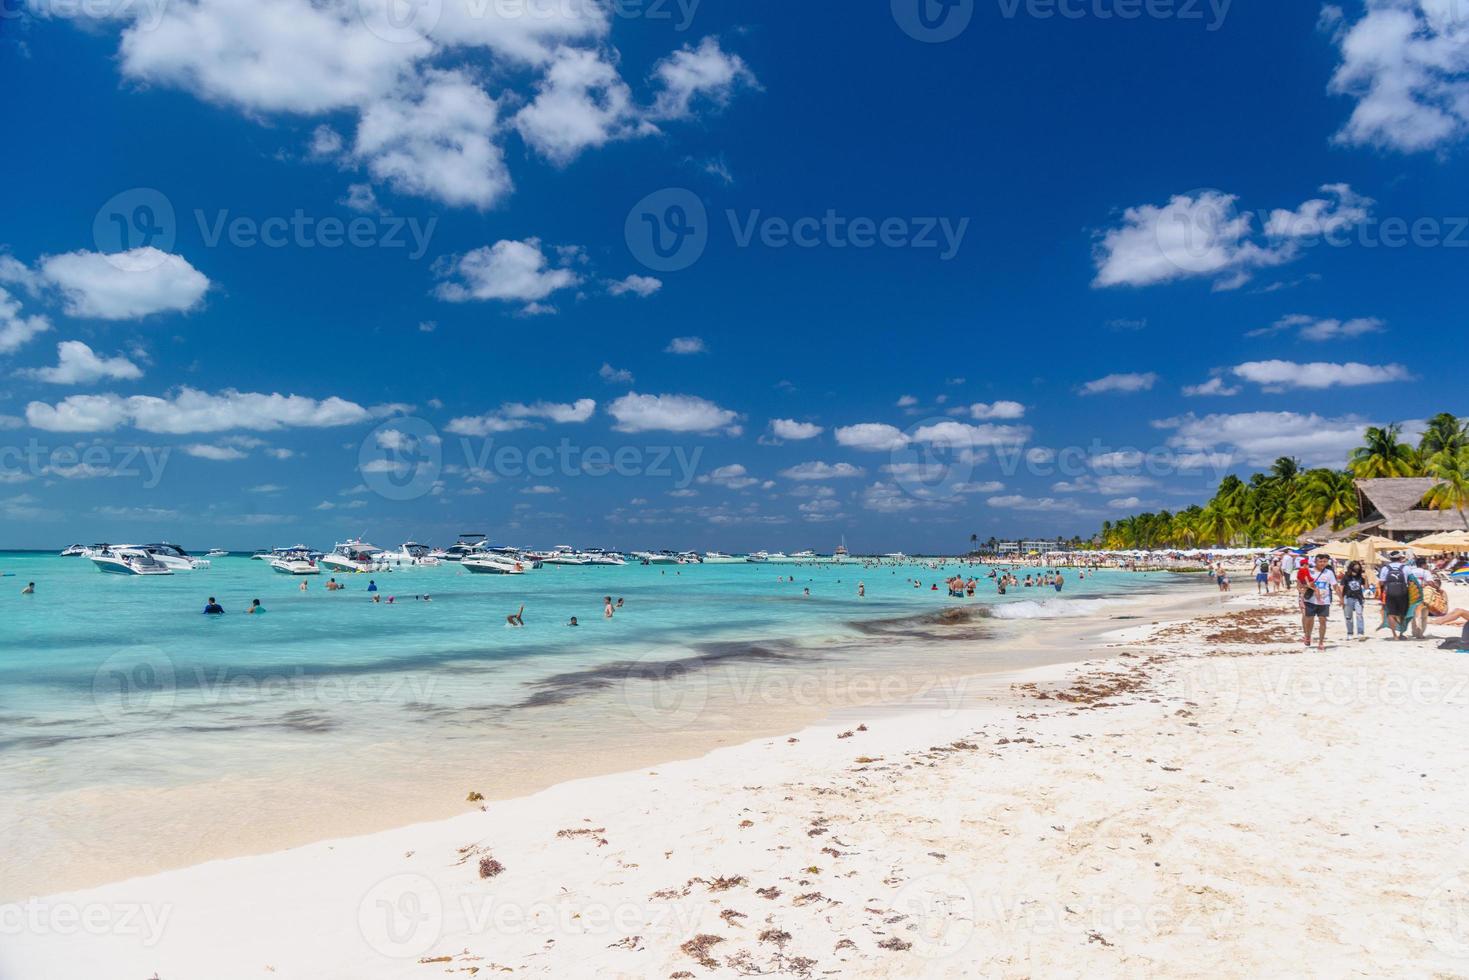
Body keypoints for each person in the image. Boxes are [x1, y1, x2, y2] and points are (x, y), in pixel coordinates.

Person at [1301, 555, 1337, 650]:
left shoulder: (1329, 572)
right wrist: (1308, 586)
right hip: (1310, 600)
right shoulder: (1310, 571)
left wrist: (1341, 598)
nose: (1323, 563)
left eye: (1325, 561)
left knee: (1323, 620)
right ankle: (1308, 635)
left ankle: (1321, 642)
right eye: (1320, 561)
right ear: (1316, 562)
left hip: (1324, 600)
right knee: (1309, 620)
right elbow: (1301, 584)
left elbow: (1335, 586)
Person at [1378, 551, 1417, 639]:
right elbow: (1412, 580)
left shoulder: (1385, 568)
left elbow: (1381, 582)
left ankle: (1394, 635)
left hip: (1390, 592)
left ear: (1390, 559)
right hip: (1403, 592)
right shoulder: (1405, 568)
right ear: (1400, 558)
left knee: (1391, 614)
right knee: (1402, 613)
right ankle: (1401, 634)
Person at [1341, 560, 1367, 640]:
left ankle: (1360, 633)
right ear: (1351, 568)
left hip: (1358, 598)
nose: (1357, 569)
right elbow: (1341, 587)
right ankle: (1350, 633)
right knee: (1348, 617)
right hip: (1348, 597)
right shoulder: (1346, 577)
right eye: (1355, 568)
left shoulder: (1360, 577)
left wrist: (1366, 579)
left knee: (1359, 615)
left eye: (1358, 568)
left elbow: (1366, 587)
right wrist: (1341, 599)